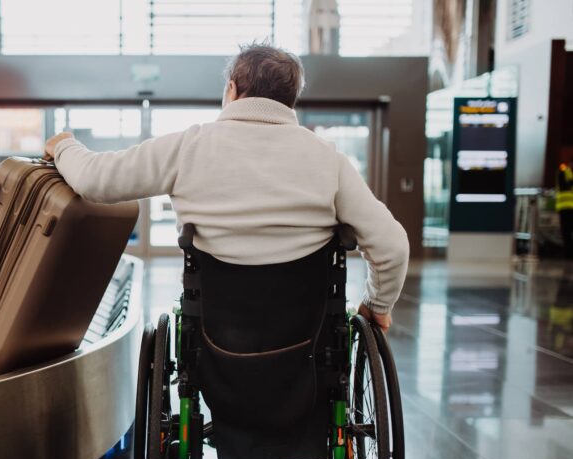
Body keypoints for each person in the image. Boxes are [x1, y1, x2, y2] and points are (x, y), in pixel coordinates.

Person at [44, 43, 409, 331]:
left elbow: (96, 180)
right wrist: (376, 307)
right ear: (290, 99)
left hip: (216, 338)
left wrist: (64, 145)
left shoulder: (188, 146)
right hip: (306, 341)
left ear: (232, 90)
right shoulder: (328, 159)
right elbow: (391, 246)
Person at [556, 162, 573, 259]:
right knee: (566, 231)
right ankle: (568, 254)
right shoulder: (563, 171)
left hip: (570, 207)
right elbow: (563, 186)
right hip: (565, 206)